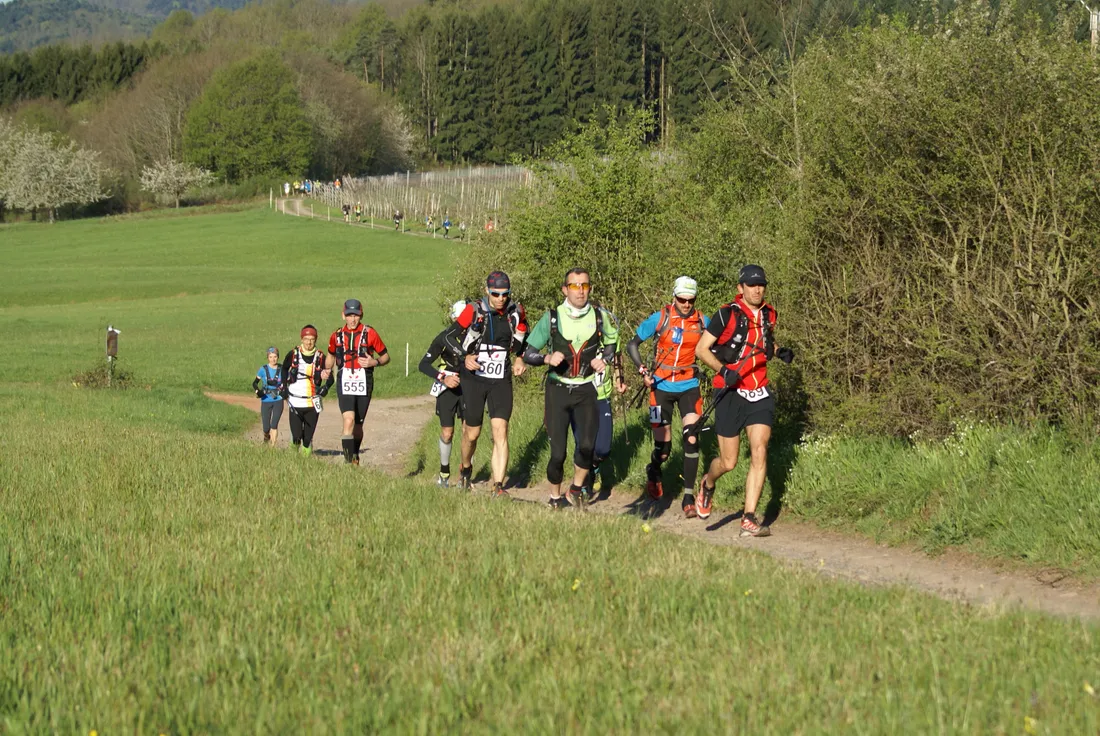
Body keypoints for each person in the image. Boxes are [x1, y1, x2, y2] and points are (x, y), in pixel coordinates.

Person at [694, 264, 794, 535]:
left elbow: (763, 343)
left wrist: (778, 351)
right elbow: (701, 349)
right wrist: (723, 370)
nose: (757, 288)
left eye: (761, 283)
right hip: (729, 392)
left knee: (760, 449)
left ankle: (749, 516)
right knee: (728, 462)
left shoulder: (769, 314)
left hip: (759, 390)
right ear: (740, 288)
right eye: (751, 284)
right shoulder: (726, 315)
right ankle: (707, 484)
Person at [524, 268, 619, 509]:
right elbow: (528, 353)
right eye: (574, 286)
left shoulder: (600, 316)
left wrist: (604, 360)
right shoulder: (551, 318)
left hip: (586, 390)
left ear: (590, 288)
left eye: (584, 286)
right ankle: (555, 497)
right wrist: (546, 358)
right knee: (558, 454)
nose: (580, 291)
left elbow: (612, 344)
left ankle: (575, 489)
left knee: (587, 447)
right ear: (565, 289)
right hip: (557, 390)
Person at [626, 276, 709, 517]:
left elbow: (721, 342)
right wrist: (643, 370)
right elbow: (633, 344)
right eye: (682, 299)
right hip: (659, 387)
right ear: (674, 297)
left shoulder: (703, 321)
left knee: (691, 439)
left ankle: (689, 497)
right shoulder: (660, 318)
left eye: (690, 300)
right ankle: (654, 469)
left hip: (689, 385)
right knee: (663, 448)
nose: (686, 304)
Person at [453, 271, 528, 496]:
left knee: (501, 431)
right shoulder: (473, 310)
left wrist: (520, 358)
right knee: (472, 434)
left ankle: (498, 486)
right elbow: (448, 338)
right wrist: (464, 357)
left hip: (500, 379)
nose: (500, 298)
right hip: (474, 378)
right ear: (487, 291)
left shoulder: (515, 312)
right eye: (496, 294)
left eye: (505, 294)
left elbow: (526, 338)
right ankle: (465, 469)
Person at [326, 299, 390, 465]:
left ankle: (354, 455)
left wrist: (373, 362)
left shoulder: (370, 333)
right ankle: (348, 463)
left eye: (356, 315)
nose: (352, 319)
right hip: (345, 379)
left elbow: (385, 357)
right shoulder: (336, 335)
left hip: (364, 381)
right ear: (343, 315)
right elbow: (331, 355)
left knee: (358, 425)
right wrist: (326, 370)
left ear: (361, 315)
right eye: (349, 315)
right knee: (348, 419)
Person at [571, 313, 627, 501]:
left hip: (602, 397)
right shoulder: (577, 336)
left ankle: (592, 468)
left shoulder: (611, 339)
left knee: (603, 449)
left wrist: (620, 380)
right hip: (579, 398)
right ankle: (583, 484)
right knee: (583, 444)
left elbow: (617, 359)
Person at [418, 300, 468, 487]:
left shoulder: (476, 337)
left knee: (468, 431)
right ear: (454, 319)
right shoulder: (443, 338)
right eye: (460, 320)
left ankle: (465, 472)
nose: (464, 326)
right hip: (447, 387)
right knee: (447, 432)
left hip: (468, 387)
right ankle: (444, 473)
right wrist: (443, 377)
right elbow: (423, 365)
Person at [282, 326, 333, 456]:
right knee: (297, 436)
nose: (309, 343)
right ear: (301, 339)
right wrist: (283, 388)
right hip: (295, 401)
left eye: (312, 339)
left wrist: (324, 388)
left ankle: (305, 462)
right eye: (306, 339)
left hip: (312, 403)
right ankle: (292, 455)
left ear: (316, 340)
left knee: (307, 439)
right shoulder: (293, 354)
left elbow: (331, 377)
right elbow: (284, 369)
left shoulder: (321, 357)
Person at [253, 346, 285, 445]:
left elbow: (287, 382)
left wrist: (285, 391)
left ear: (278, 357)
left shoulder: (282, 369)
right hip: (266, 399)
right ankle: (266, 437)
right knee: (266, 427)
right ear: (268, 357)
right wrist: (258, 391)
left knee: (274, 425)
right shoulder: (263, 369)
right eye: (270, 357)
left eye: (275, 356)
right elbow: (254, 383)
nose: (273, 359)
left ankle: (272, 448)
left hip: (278, 399)